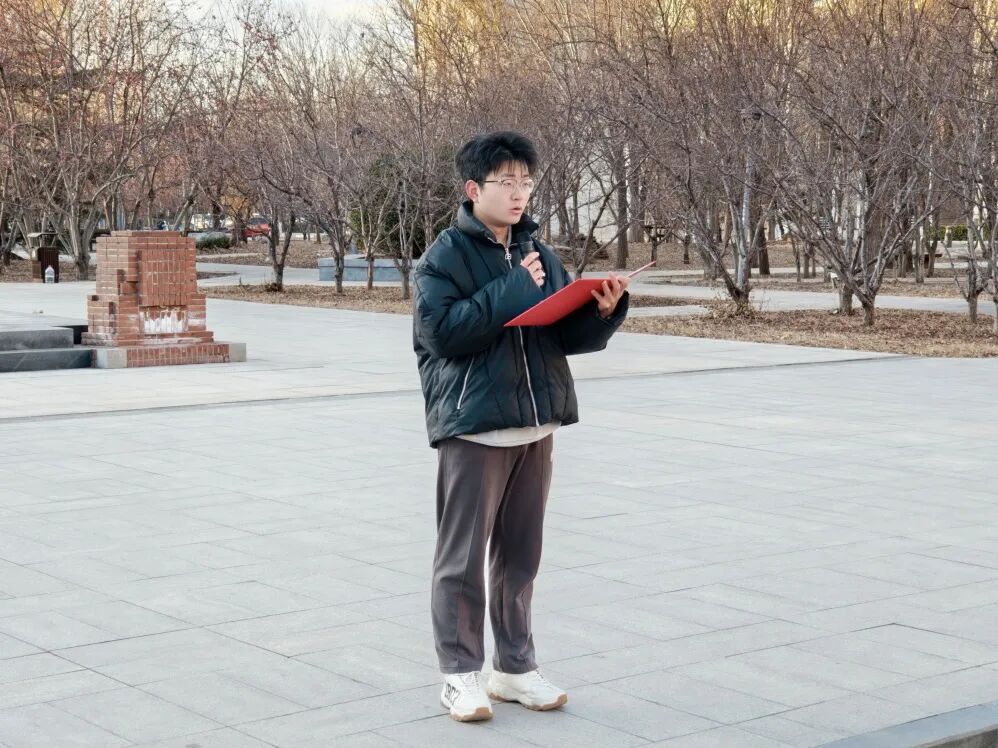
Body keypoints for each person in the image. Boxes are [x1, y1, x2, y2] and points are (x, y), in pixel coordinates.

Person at [412, 131, 630, 722]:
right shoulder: (443, 257)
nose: (518, 193)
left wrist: (603, 312)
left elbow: (560, 335)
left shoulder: (537, 252)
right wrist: (512, 290)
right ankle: (460, 675)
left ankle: (514, 668)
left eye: (526, 182)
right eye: (506, 181)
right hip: (475, 428)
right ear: (473, 188)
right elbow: (442, 335)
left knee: (521, 556)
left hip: (535, 426)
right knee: (461, 560)